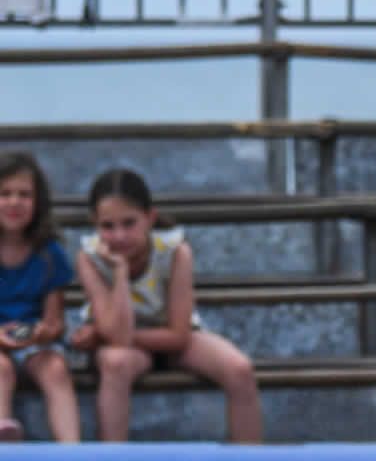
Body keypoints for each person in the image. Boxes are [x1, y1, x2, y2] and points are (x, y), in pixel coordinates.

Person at [73, 168, 262, 443]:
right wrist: (120, 273)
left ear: (150, 218)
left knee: (240, 369)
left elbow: (178, 335)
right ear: (95, 224)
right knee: (115, 363)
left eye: (129, 223)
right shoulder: (89, 257)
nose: (119, 236)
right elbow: (117, 337)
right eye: (108, 226)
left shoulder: (175, 252)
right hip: (123, 345)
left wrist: (109, 336)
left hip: (167, 339)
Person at [0, 151, 80, 443]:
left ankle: (72, 451)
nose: (14, 202)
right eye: (5, 194)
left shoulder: (49, 254)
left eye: (24, 195)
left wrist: (39, 333)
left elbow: (55, 323)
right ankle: (3, 437)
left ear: (38, 203)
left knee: (55, 369)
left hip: (33, 341)